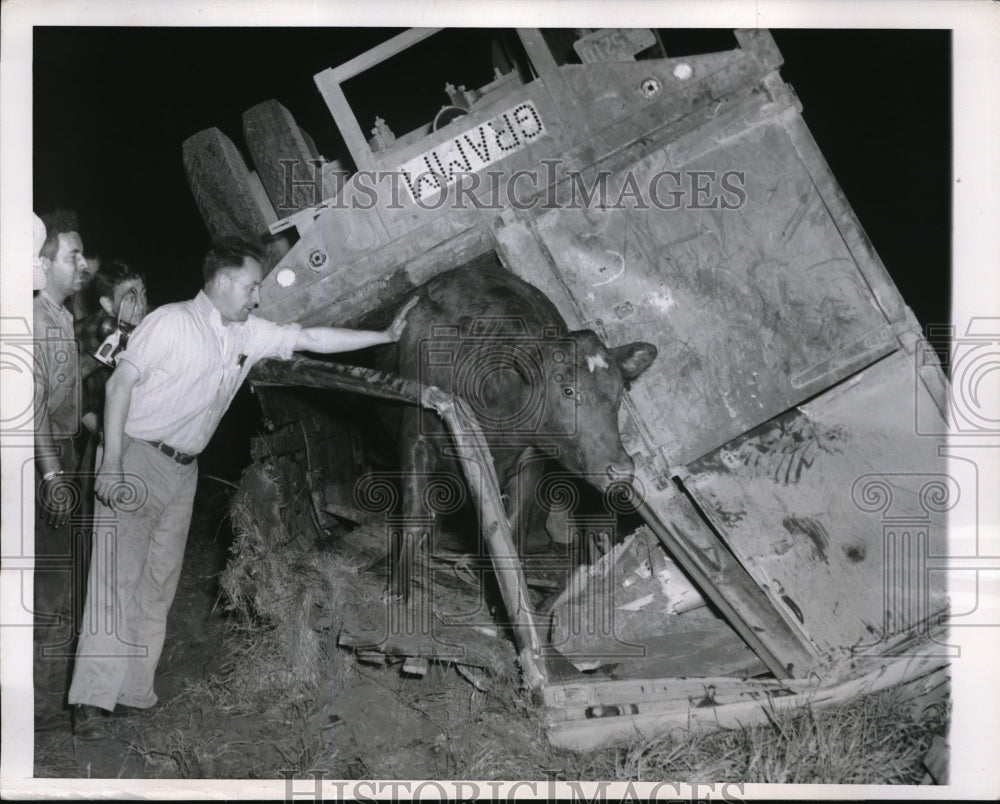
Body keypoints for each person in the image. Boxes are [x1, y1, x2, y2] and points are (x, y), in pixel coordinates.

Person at [68, 237, 417, 738]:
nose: (257, 296)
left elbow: (311, 338)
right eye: (253, 285)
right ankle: (90, 702)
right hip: (137, 456)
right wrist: (114, 461)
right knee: (116, 577)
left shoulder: (245, 333)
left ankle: (131, 691)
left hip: (183, 467)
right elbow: (118, 385)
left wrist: (383, 333)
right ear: (226, 279)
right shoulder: (170, 322)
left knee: (158, 581)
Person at [33, 209, 89, 728]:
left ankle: (44, 699)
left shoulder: (60, 315)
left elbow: (61, 394)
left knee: (60, 573)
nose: (84, 264)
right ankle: (37, 708)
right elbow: (30, 411)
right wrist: (53, 477)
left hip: (61, 452)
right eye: (73, 256)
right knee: (50, 580)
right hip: (44, 459)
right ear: (44, 262)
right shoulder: (35, 320)